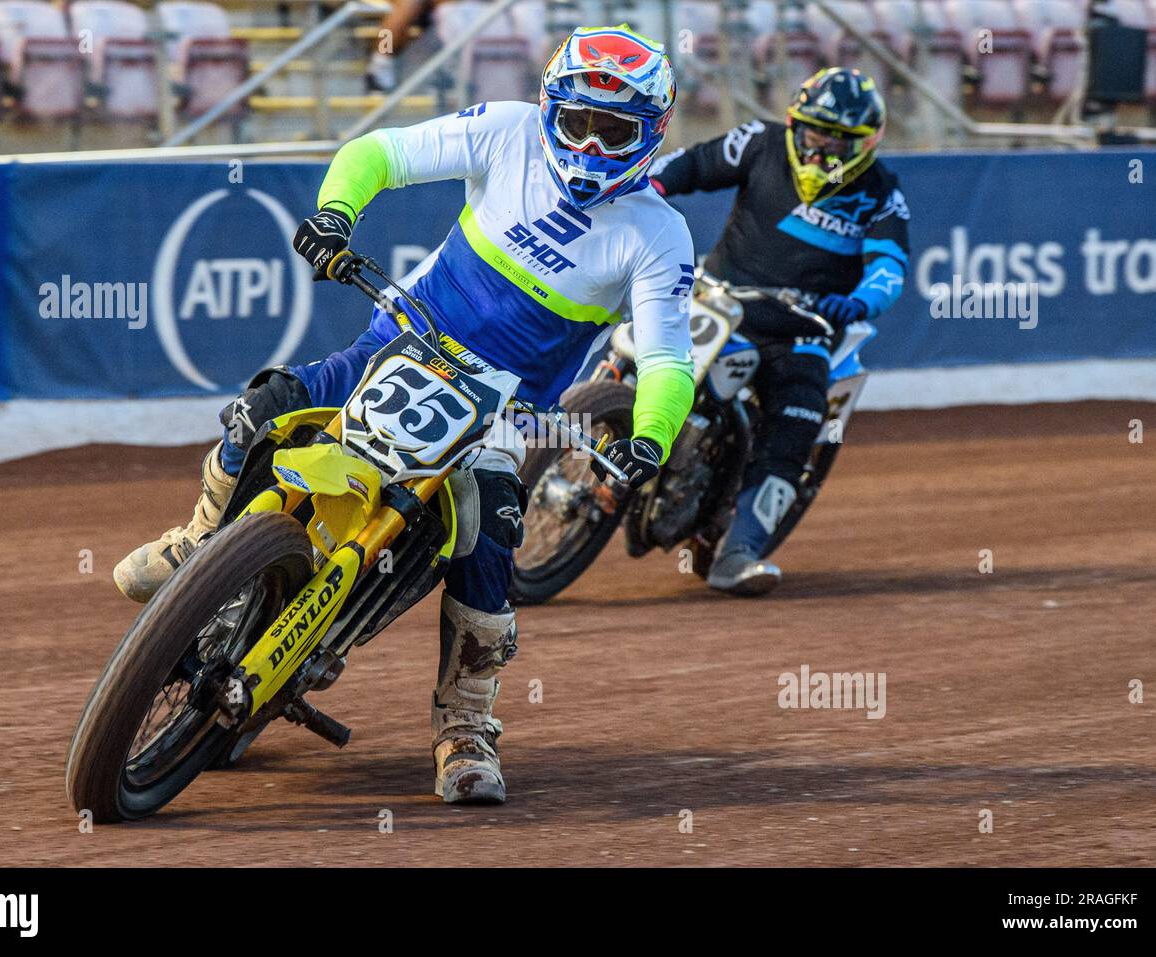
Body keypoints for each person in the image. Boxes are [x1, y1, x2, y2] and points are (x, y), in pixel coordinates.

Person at [114, 26, 696, 804]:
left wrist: (652, 436)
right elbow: (379, 154)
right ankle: (199, 540)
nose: (589, 147)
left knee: (490, 538)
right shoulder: (509, 129)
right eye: (576, 123)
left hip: (501, 408)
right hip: (396, 340)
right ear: (550, 109)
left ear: (650, 135)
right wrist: (335, 214)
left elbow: (666, 361)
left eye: (613, 131)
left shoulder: (659, 234)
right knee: (263, 409)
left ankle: (467, 723)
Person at [650, 67, 910, 596]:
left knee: (800, 417)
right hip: (716, 297)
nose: (824, 150)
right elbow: (691, 165)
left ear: (866, 143)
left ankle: (739, 552)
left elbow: (890, 266)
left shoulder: (882, 191)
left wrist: (859, 302)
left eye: (840, 140)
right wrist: (644, 190)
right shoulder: (760, 142)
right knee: (629, 335)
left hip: (803, 330)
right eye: (816, 133)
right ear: (796, 125)